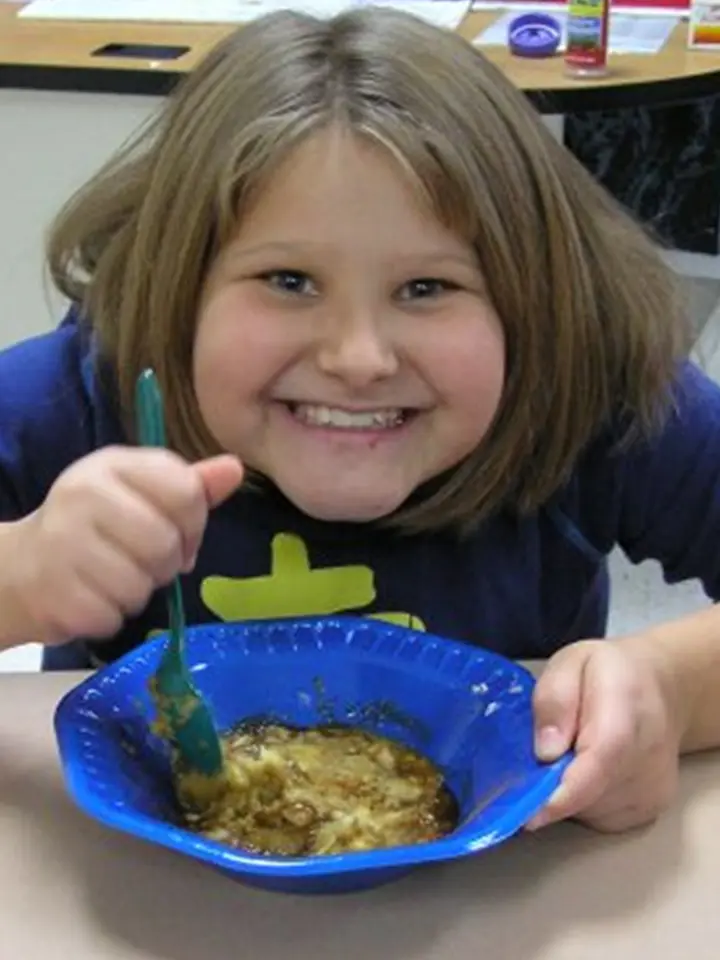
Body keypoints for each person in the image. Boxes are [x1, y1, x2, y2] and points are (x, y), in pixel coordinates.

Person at [0, 7, 718, 836]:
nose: (358, 358)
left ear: (531, 304)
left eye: (426, 288)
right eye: (289, 280)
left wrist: (675, 687)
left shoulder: (597, 398)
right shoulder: (79, 394)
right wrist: (17, 580)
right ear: (180, 285)